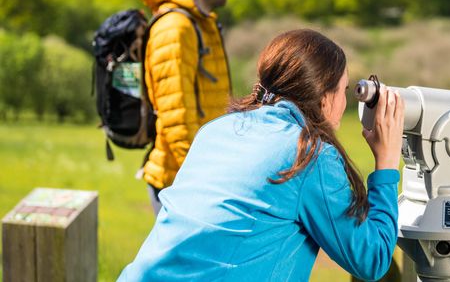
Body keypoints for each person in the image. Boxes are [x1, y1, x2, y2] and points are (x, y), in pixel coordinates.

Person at [118, 29, 405, 281]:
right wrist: (387, 162)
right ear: (325, 97)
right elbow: (372, 259)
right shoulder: (308, 155)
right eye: (343, 90)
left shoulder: (216, 130)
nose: (343, 103)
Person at [140, 0, 234, 215]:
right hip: (182, 186)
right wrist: (202, 181)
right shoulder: (176, 29)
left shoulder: (200, 24)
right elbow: (176, 117)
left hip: (202, 180)